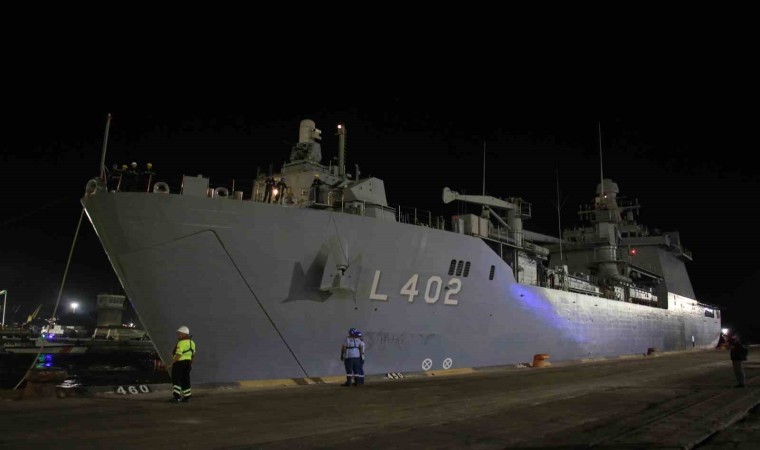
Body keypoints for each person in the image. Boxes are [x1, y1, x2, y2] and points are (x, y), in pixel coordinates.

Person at [170, 325, 196, 402]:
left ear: (184, 334)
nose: (178, 335)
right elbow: (193, 354)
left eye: (179, 333)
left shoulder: (181, 343)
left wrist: (171, 363)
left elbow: (178, 354)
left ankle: (177, 397)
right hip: (188, 363)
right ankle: (188, 397)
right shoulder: (192, 342)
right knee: (186, 379)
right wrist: (190, 363)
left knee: (176, 379)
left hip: (179, 363)